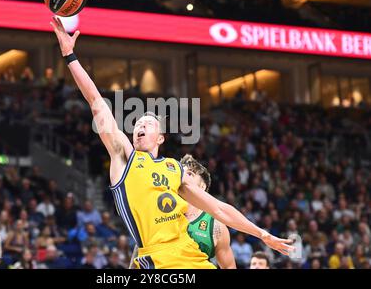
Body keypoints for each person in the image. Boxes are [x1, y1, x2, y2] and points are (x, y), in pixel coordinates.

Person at [50, 17, 293, 269]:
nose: (140, 126)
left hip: (194, 259)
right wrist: (69, 55)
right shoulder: (124, 156)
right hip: (159, 261)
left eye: (148, 123)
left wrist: (262, 234)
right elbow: (97, 102)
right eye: (138, 124)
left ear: (161, 138)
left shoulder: (174, 169)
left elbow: (219, 209)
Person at [130, 154, 236, 269]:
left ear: (202, 186)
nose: (182, 178)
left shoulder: (216, 226)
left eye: (189, 174)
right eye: (180, 174)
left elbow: (229, 266)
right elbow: (141, 250)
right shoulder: (157, 210)